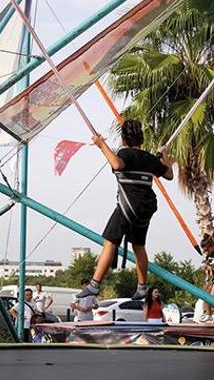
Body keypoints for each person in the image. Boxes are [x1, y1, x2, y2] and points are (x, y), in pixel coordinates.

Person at [77, 120, 174, 301]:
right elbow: (169, 174)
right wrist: (164, 156)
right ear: (142, 139)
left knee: (110, 243)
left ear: (123, 139)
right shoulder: (149, 158)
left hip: (128, 206)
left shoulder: (125, 154)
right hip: (145, 208)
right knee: (138, 246)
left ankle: (94, 284)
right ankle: (142, 286)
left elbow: (117, 164)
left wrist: (101, 145)